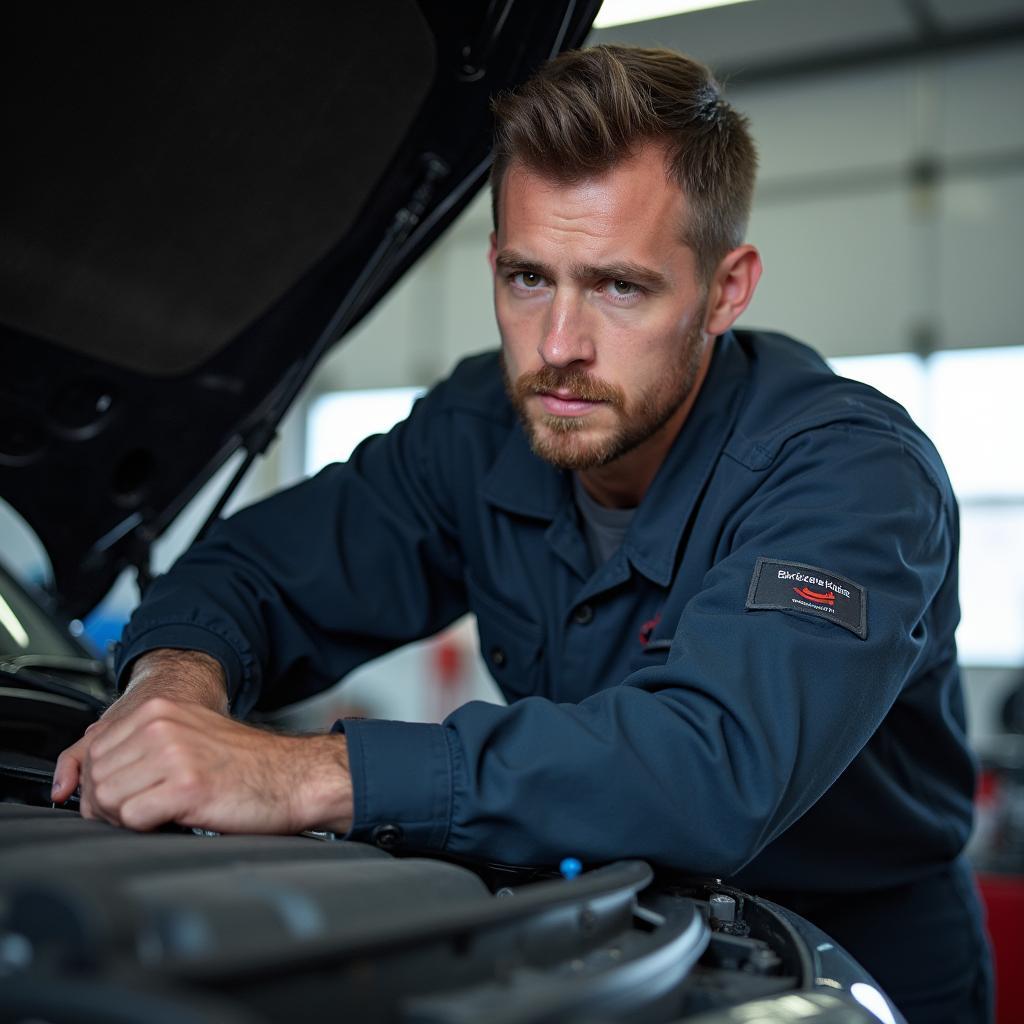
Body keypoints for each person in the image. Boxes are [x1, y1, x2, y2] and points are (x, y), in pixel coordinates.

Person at [52, 46, 990, 1023]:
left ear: (725, 289)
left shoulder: (853, 473)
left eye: (619, 287)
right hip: (592, 932)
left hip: (845, 962)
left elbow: (710, 766)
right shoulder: (475, 431)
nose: (557, 347)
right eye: (526, 278)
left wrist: (302, 775)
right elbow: (249, 574)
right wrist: (170, 688)